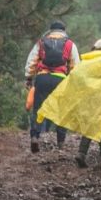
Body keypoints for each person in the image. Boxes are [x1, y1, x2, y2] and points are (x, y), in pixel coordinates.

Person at [36, 38, 101, 168]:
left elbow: (75, 76)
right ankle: (81, 153)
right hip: (99, 96)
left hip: (85, 96)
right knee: (94, 122)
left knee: (97, 120)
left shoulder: (86, 60)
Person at [24, 20, 80, 152]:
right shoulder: (69, 43)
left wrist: (28, 78)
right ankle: (60, 142)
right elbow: (75, 66)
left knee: (38, 109)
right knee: (62, 111)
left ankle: (35, 137)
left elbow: (31, 61)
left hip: (42, 78)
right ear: (63, 31)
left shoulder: (41, 42)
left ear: (51, 30)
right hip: (60, 80)